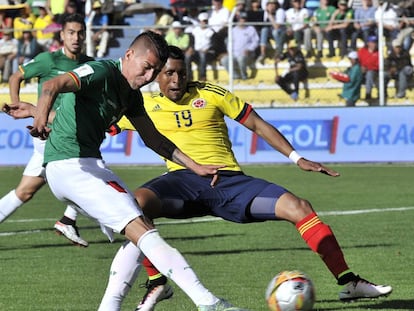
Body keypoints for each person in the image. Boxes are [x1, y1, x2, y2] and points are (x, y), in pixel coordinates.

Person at [100, 45, 393, 311]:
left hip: (230, 183)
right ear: (157, 77)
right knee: (134, 205)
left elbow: (257, 124)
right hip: (181, 182)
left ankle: (349, 282)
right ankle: (158, 281)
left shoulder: (211, 94)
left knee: (299, 207)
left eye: (181, 73)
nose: (176, 80)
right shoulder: (142, 106)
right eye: (169, 74)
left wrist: (296, 158)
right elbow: (100, 127)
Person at [4, 32, 249, 311]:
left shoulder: (130, 95)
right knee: (142, 229)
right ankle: (209, 302)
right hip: (71, 167)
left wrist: (195, 166)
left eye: (154, 72)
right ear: (129, 55)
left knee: (140, 223)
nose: (148, 76)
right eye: (146, 67)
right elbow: (52, 85)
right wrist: (39, 120)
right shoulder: (100, 71)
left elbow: (153, 139)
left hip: (88, 166)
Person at [0, 14, 93, 247]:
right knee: (91, 174)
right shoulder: (48, 60)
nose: (76, 37)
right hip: (50, 134)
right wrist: (15, 101)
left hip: (68, 132)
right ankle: (69, 220)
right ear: (62, 35)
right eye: (71, 32)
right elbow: (16, 76)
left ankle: (68, 219)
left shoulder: (90, 64)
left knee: (25, 191)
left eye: (80, 32)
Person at [221, 11, 259, 80]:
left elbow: (255, 41)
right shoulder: (233, 30)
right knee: (224, 60)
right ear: (238, 19)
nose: (243, 20)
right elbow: (229, 42)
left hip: (247, 55)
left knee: (241, 59)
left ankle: (244, 76)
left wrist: (249, 49)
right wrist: (229, 52)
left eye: (244, 19)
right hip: (234, 54)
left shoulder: (251, 29)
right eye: (241, 18)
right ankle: (235, 76)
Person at [357, 35, 379, 102]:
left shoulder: (378, 52)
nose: (373, 44)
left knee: (370, 73)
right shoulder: (362, 51)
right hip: (362, 72)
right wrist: (361, 67)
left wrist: (367, 68)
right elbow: (357, 61)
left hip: (373, 72)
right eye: (372, 42)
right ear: (368, 43)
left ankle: (368, 93)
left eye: (375, 42)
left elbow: (378, 65)